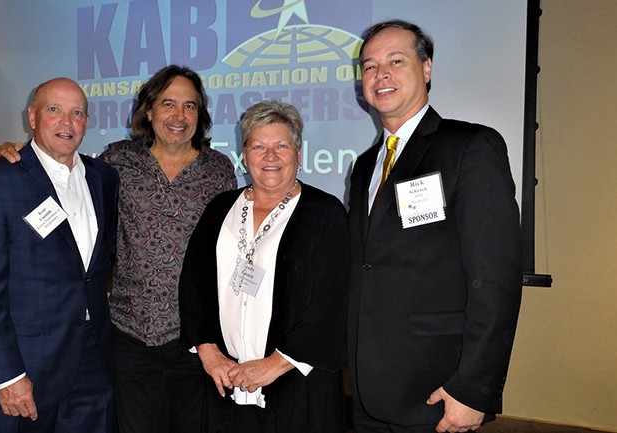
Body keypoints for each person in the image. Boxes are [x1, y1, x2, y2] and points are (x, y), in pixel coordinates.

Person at [0, 65, 237, 433]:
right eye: (168, 103)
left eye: (190, 106)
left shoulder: (219, 171)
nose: (179, 116)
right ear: (149, 110)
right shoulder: (117, 163)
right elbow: (60, 172)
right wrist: (13, 154)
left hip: (195, 337)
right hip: (128, 337)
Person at [347, 20, 522, 433]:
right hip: (368, 391)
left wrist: (474, 388)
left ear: (427, 68)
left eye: (396, 61)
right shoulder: (363, 168)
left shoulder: (470, 147)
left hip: (438, 392)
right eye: (369, 67)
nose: (380, 75)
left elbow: (495, 279)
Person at [0, 77, 119, 432]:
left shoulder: (103, 177)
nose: (67, 122)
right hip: (23, 368)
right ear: (32, 116)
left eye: (77, 113)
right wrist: (6, 375)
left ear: (87, 122)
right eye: (54, 110)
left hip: (93, 359)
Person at [179, 100, 349, 433]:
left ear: (299, 154)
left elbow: (332, 302)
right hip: (225, 382)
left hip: (297, 387)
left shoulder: (324, 214)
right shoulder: (220, 208)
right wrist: (209, 351)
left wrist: (273, 365)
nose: (269, 156)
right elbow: (194, 282)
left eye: (281, 146)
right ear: (245, 155)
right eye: (258, 146)